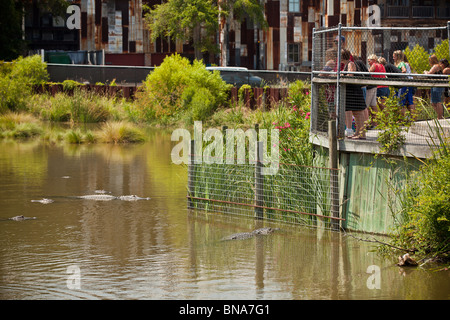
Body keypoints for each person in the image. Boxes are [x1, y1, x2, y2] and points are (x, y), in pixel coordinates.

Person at [341, 49, 367, 139]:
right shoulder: (346, 65)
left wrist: (342, 76)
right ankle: (357, 132)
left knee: (358, 113)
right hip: (351, 92)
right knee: (355, 113)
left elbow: (350, 75)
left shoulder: (351, 64)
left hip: (355, 92)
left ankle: (362, 134)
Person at [367, 54, 388, 126]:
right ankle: (386, 121)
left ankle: (375, 121)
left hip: (379, 87)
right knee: (382, 106)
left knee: (373, 105)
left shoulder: (374, 65)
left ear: (374, 60)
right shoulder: (382, 65)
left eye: (369, 61)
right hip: (385, 87)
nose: (368, 63)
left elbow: (368, 74)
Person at [393, 50, 415, 115]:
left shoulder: (401, 63)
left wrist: (397, 74)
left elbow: (404, 70)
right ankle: (411, 118)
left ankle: (401, 119)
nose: (393, 58)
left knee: (400, 101)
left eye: (394, 57)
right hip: (407, 83)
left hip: (403, 84)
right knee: (409, 101)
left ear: (397, 57)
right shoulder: (403, 64)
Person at [424, 54, 444, 119]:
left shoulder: (435, 66)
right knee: (433, 102)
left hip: (437, 85)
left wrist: (425, 72)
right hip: (435, 85)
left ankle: (440, 116)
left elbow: (429, 74)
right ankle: (439, 115)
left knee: (437, 101)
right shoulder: (438, 66)